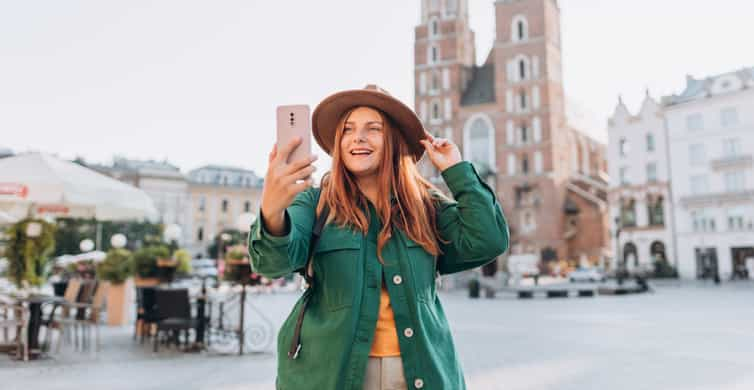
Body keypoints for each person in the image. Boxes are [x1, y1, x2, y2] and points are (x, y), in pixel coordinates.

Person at [249, 85, 510, 389]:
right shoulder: (314, 204)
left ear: (394, 142)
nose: (358, 137)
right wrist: (271, 210)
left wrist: (457, 171)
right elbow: (271, 263)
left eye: (373, 129)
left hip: (418, 372)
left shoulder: (425, 206)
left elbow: (489, 240)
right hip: (331, 375)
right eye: (348, 129)